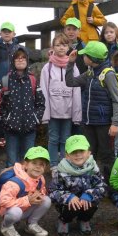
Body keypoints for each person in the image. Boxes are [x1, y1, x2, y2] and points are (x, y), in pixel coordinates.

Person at [65, 41, 118, 176]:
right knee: (89, 155)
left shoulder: (108, 74)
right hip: (88, 122)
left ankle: (110, 190)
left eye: (85, 55)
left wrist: (115, 123)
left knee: (106, 157)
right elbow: (70, 82)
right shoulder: (90, 73)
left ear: (92, 58)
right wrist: (70, 63)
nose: (83, 57)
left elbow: (117, 101)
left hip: (104, 124)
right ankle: (92, 186)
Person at [49, 135, 106, 236]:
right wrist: (68, 197)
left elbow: (101, 186)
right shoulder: (61, 170)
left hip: (86, 200)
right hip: (68, 204)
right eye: (74, 152)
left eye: (81, 151)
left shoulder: (93, 168)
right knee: (70, 205)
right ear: (67, 155)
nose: (78, 154)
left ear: (89, 153)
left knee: (92, 202)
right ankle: (64, 221)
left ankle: (84, 220)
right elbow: (53, 191)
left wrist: (89, 194)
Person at [0, 47, 44, 167]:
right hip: (11, 129)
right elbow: (0, 104)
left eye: (23, 57)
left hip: (29, 128)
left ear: (27, 60)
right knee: (12, 163)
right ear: (12, 61)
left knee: (28, 162)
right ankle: (11, 185)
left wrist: (36, 119)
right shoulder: (5, 80)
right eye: (17, 58)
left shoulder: (32, 79)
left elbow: (40, 103)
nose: (20, 60)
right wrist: (6, 121)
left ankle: (27, 186)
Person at [41, 33, 82, 166]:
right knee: (53, 139)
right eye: (58, 45)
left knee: (66, 139)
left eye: (64, 45)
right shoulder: (47, 67)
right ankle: (53, 165)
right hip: (53, 110)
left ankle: (64, 164)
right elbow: (44, 90)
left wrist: (76, 113)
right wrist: (45, 112)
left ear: (68, 47)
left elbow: (76, 89)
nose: (61, 48)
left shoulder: (73, 66)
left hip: (68, 110)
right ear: (53, 47)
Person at [0, 147, 52, 236]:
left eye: (41, 164)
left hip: (26, 208)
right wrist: (27, 200)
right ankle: (6, 226)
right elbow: (4, 202)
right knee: (16, 212)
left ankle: (32, 224)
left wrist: (40, 195)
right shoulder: (14, 183)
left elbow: (42, 190)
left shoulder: (40, 178)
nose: (38, 167)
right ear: (26, 165)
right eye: (34, 163)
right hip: (11, 212)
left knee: (46, 200)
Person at [0, 22, 20, 148]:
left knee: (15, 109)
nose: (6, 33)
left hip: (15, 84)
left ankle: (12, 135)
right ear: (0, 34)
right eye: (4, 31)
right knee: (2, 110)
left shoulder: (19, 49)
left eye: (9, 31)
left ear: (14, 34)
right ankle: (2, 136)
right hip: (1, 84)